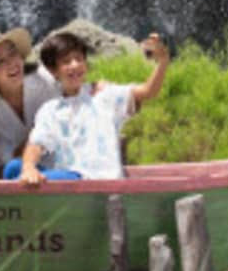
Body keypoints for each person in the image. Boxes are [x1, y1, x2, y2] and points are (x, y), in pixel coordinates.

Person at [19, 28, 170, 186]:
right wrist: (28, 167)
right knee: (13, 168)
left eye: (79, 59)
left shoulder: (104, 95)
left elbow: (148, 91)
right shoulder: (50, 110)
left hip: (97, 181)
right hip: (67, 182)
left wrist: (162, 62)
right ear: (53, 71)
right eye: (66, 62)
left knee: (27, 178)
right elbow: (36, 143)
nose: (75, 65)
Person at [0, 25, 60, 179]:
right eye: (0, 61)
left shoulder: (45, 80)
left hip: (59, 159)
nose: (12, 63)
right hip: (14, 171)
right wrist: (36, 136)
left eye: (12, 53)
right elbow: (2, 160)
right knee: (15, 168)